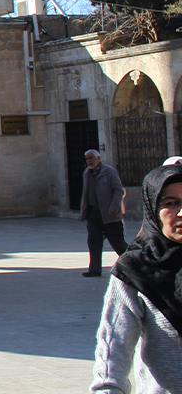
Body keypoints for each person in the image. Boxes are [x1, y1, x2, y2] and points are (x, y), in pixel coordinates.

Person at [92, 163, 182, 393]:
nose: (181, 212)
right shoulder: (136, 270)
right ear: (153, 210)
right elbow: (114, 350)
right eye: (171, 204)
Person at [80, 149, 128, 277]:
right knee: (93, 242)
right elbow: (86, 193)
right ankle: (95, 269)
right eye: (87, 159)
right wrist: (84, 211)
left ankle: (134, 265)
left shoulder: (109, 172)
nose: (90, 161)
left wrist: (114, 206)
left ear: (98, 158)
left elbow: (119, 190)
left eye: (91, 158)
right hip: (93, 214)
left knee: (117, 243)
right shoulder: (87, 173)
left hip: (110, 215)